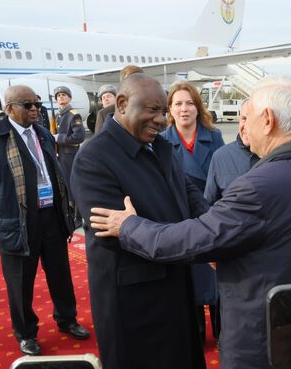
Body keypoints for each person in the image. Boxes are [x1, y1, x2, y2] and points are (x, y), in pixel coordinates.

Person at [88, 74, 291, 369]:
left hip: (264, 342)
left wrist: (128, 226)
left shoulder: (259, 185)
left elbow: (198, 240)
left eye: (246, 117)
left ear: (267, 120)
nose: (243, 127)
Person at [69, 73, 208, 369]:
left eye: (163, 112)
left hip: (177, 284)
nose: (160, 119)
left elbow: (187, 191)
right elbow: (118, 233)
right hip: (136, 304)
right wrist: (193, 236)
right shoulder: (94, 158)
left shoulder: (160, 147)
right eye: (151, 110)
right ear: (121, 104)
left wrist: (214, 224)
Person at [0, 85, 89, 356]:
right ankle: (26, 333)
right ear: (10, 108)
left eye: (37, 104)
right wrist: (3, 210)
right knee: (20, 282)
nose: (35, 109)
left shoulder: (43, 134)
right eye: (28, 105)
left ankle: (67, 319)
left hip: (51, 217)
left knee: (60, 274)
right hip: (18, 222)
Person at [161, 80, 224, 341]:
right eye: (178, 104)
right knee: (192, 281)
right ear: (170, 110)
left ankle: (223, 333)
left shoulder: (215, 136)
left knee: (217, 279)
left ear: (198, 108)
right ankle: (196, 333)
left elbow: (223, 177)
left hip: (214, 216)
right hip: (183, 220)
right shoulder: (161, 142)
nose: (184, 109)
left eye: (189, 103)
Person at [204, 100, 259, 205]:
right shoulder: (220, 157)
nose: (246, 126)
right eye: (243, 119)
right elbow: (209, 203)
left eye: (252, 120)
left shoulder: (275, 156)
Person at [54, 86, 85, 228]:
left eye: (64, 95)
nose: (61, 97)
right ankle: (69, 214)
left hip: (70, 155)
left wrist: (59, 138)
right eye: (58, 95)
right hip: (60, 155)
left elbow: (79, 136)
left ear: (69, 98)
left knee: (73, 186)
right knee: (64, 185)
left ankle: (78, 217)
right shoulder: (57, 115)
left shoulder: (73, 115)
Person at [94, 65, 143, 133]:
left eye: (109, 96)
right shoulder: (104, 113)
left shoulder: (152, 106)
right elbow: (99, 140)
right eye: (103, 98)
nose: (106, 99)